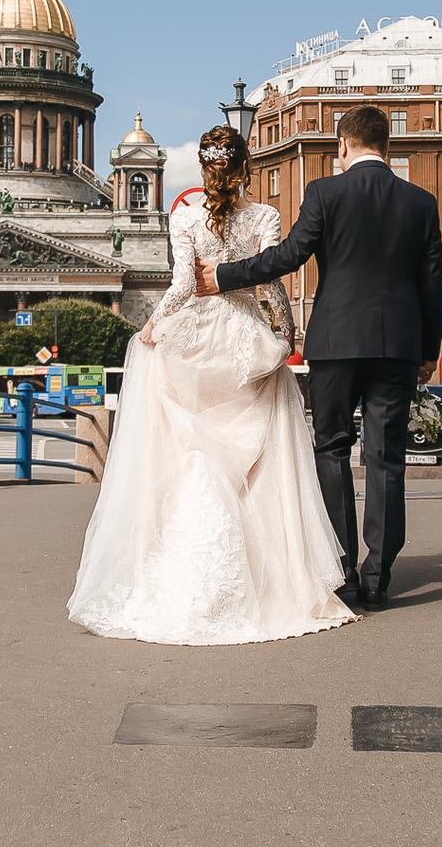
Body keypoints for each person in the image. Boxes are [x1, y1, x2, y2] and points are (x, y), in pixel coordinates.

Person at [66, 126, 355, 645]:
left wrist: (152, 326)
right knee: (262, 467)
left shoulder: (183, 215)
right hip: (245, 343)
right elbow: (272, 280)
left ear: (203, 169)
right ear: (244, 168)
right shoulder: (263, 216)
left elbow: (181, 285)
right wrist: (285, 331)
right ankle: (272, 581)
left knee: (193, 457)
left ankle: (186, 576)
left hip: (196, 343)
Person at [194, 103, 442, 611]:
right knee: (386, 459)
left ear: (343, 146)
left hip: (335, 344)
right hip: (397, 346)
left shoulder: (325, 193)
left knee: (331, 449)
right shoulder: (420, 202)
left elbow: (287, 256)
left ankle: (343, 573)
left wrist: (222, 276)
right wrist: (427, 352)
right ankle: (379, 576)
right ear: (387, 145)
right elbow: (433, 288)